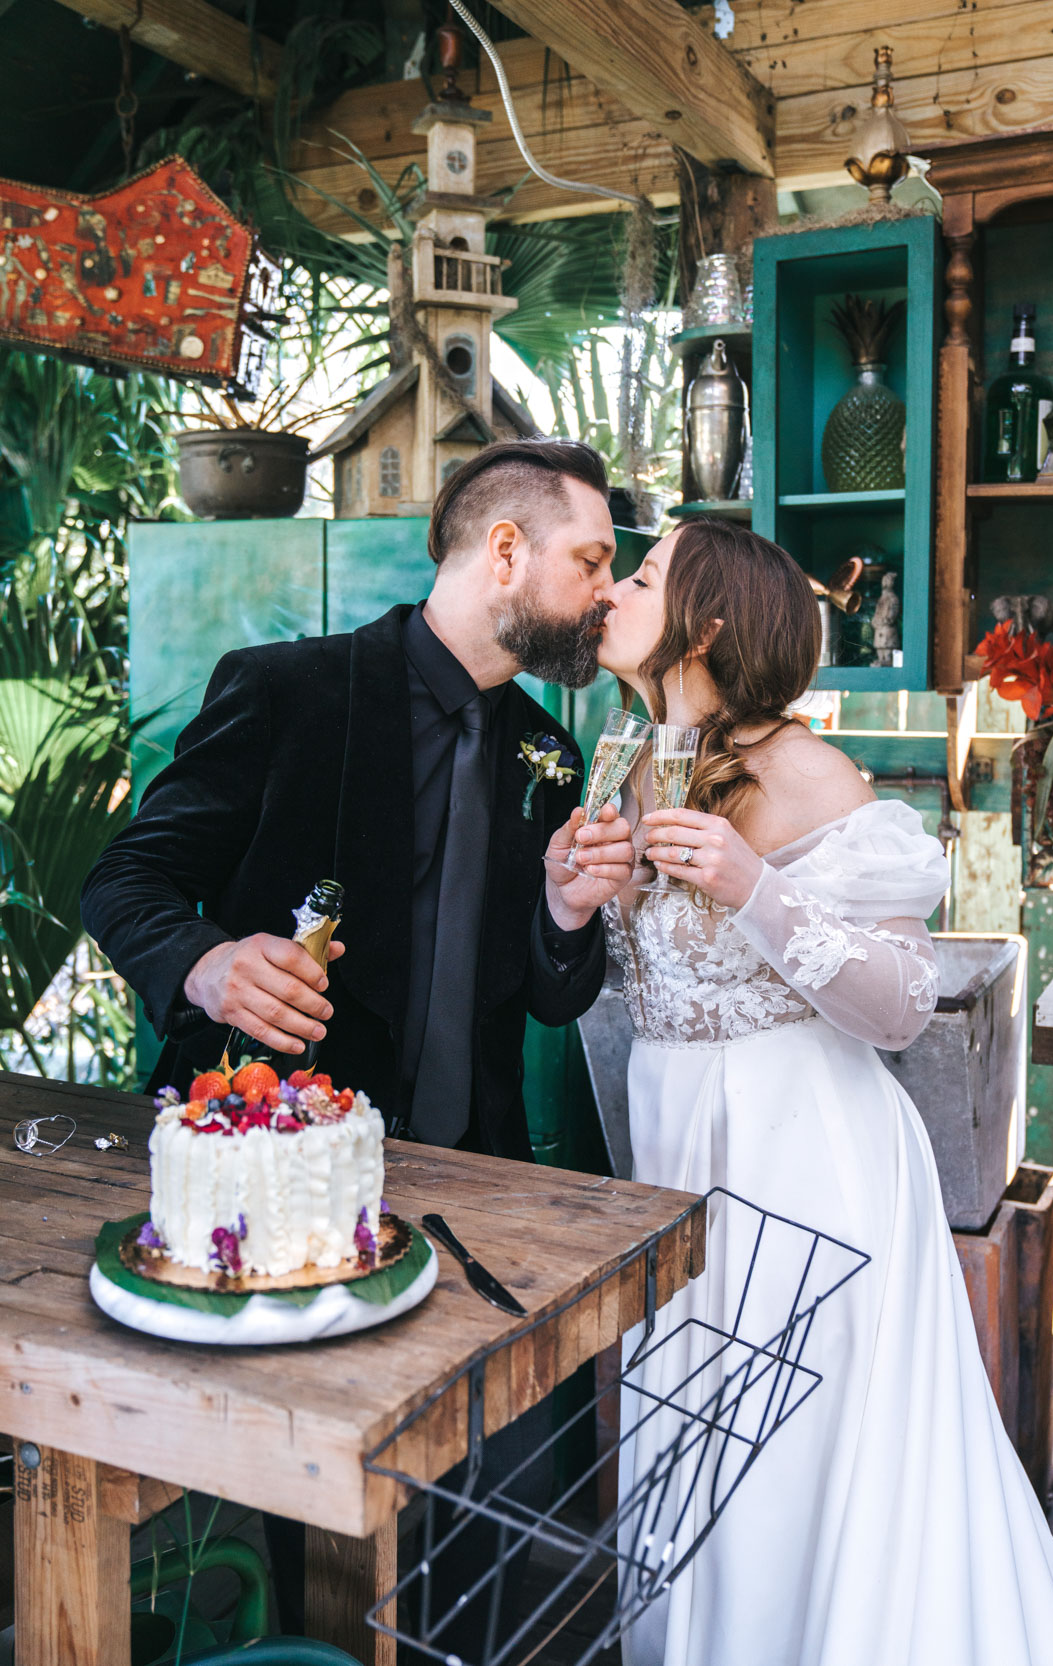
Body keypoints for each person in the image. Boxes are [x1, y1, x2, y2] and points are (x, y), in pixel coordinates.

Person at [80, 436, 637, 1647]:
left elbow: (549, 999)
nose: (605, 592)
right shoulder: (288, 690)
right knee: (287, 1537)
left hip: (459, 1200)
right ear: (505, 550)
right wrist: (208, 963)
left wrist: (563, 910)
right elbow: (127, 880)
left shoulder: (550, 751)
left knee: (472, 1549)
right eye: (591, 561)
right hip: (276, 1207)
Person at [594, 516, 1053, 1666]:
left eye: (641, 575)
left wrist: (753, 887)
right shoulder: (630, 755)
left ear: (708, 624)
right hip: (678, 1163)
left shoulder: (811, 772)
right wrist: (567, 896)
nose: (614, 589)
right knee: (699, 1439)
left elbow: (896, 1006)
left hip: (805, 1162)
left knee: (797, 1453)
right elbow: (646, 978)